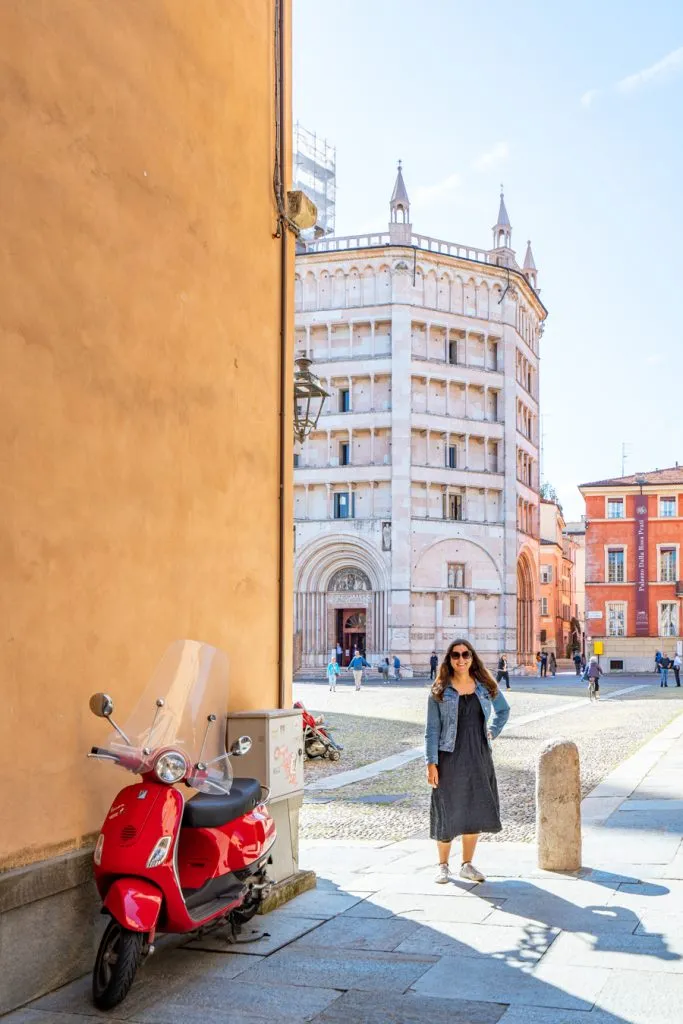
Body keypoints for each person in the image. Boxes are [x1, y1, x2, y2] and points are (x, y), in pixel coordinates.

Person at [425, 639, 510, 884]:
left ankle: (467, 864)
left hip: (479, 753)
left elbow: (503, 710)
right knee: (446, 807)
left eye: (465, 655)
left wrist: (493, 729)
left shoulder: (484, 685)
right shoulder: (440, 690)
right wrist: (431, 762)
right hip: (448, 755)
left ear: (472, 657)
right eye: (455, 655)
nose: (461, 659)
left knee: (475, 805)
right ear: (449, 660)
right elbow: (432, 729)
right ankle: (443, 866)